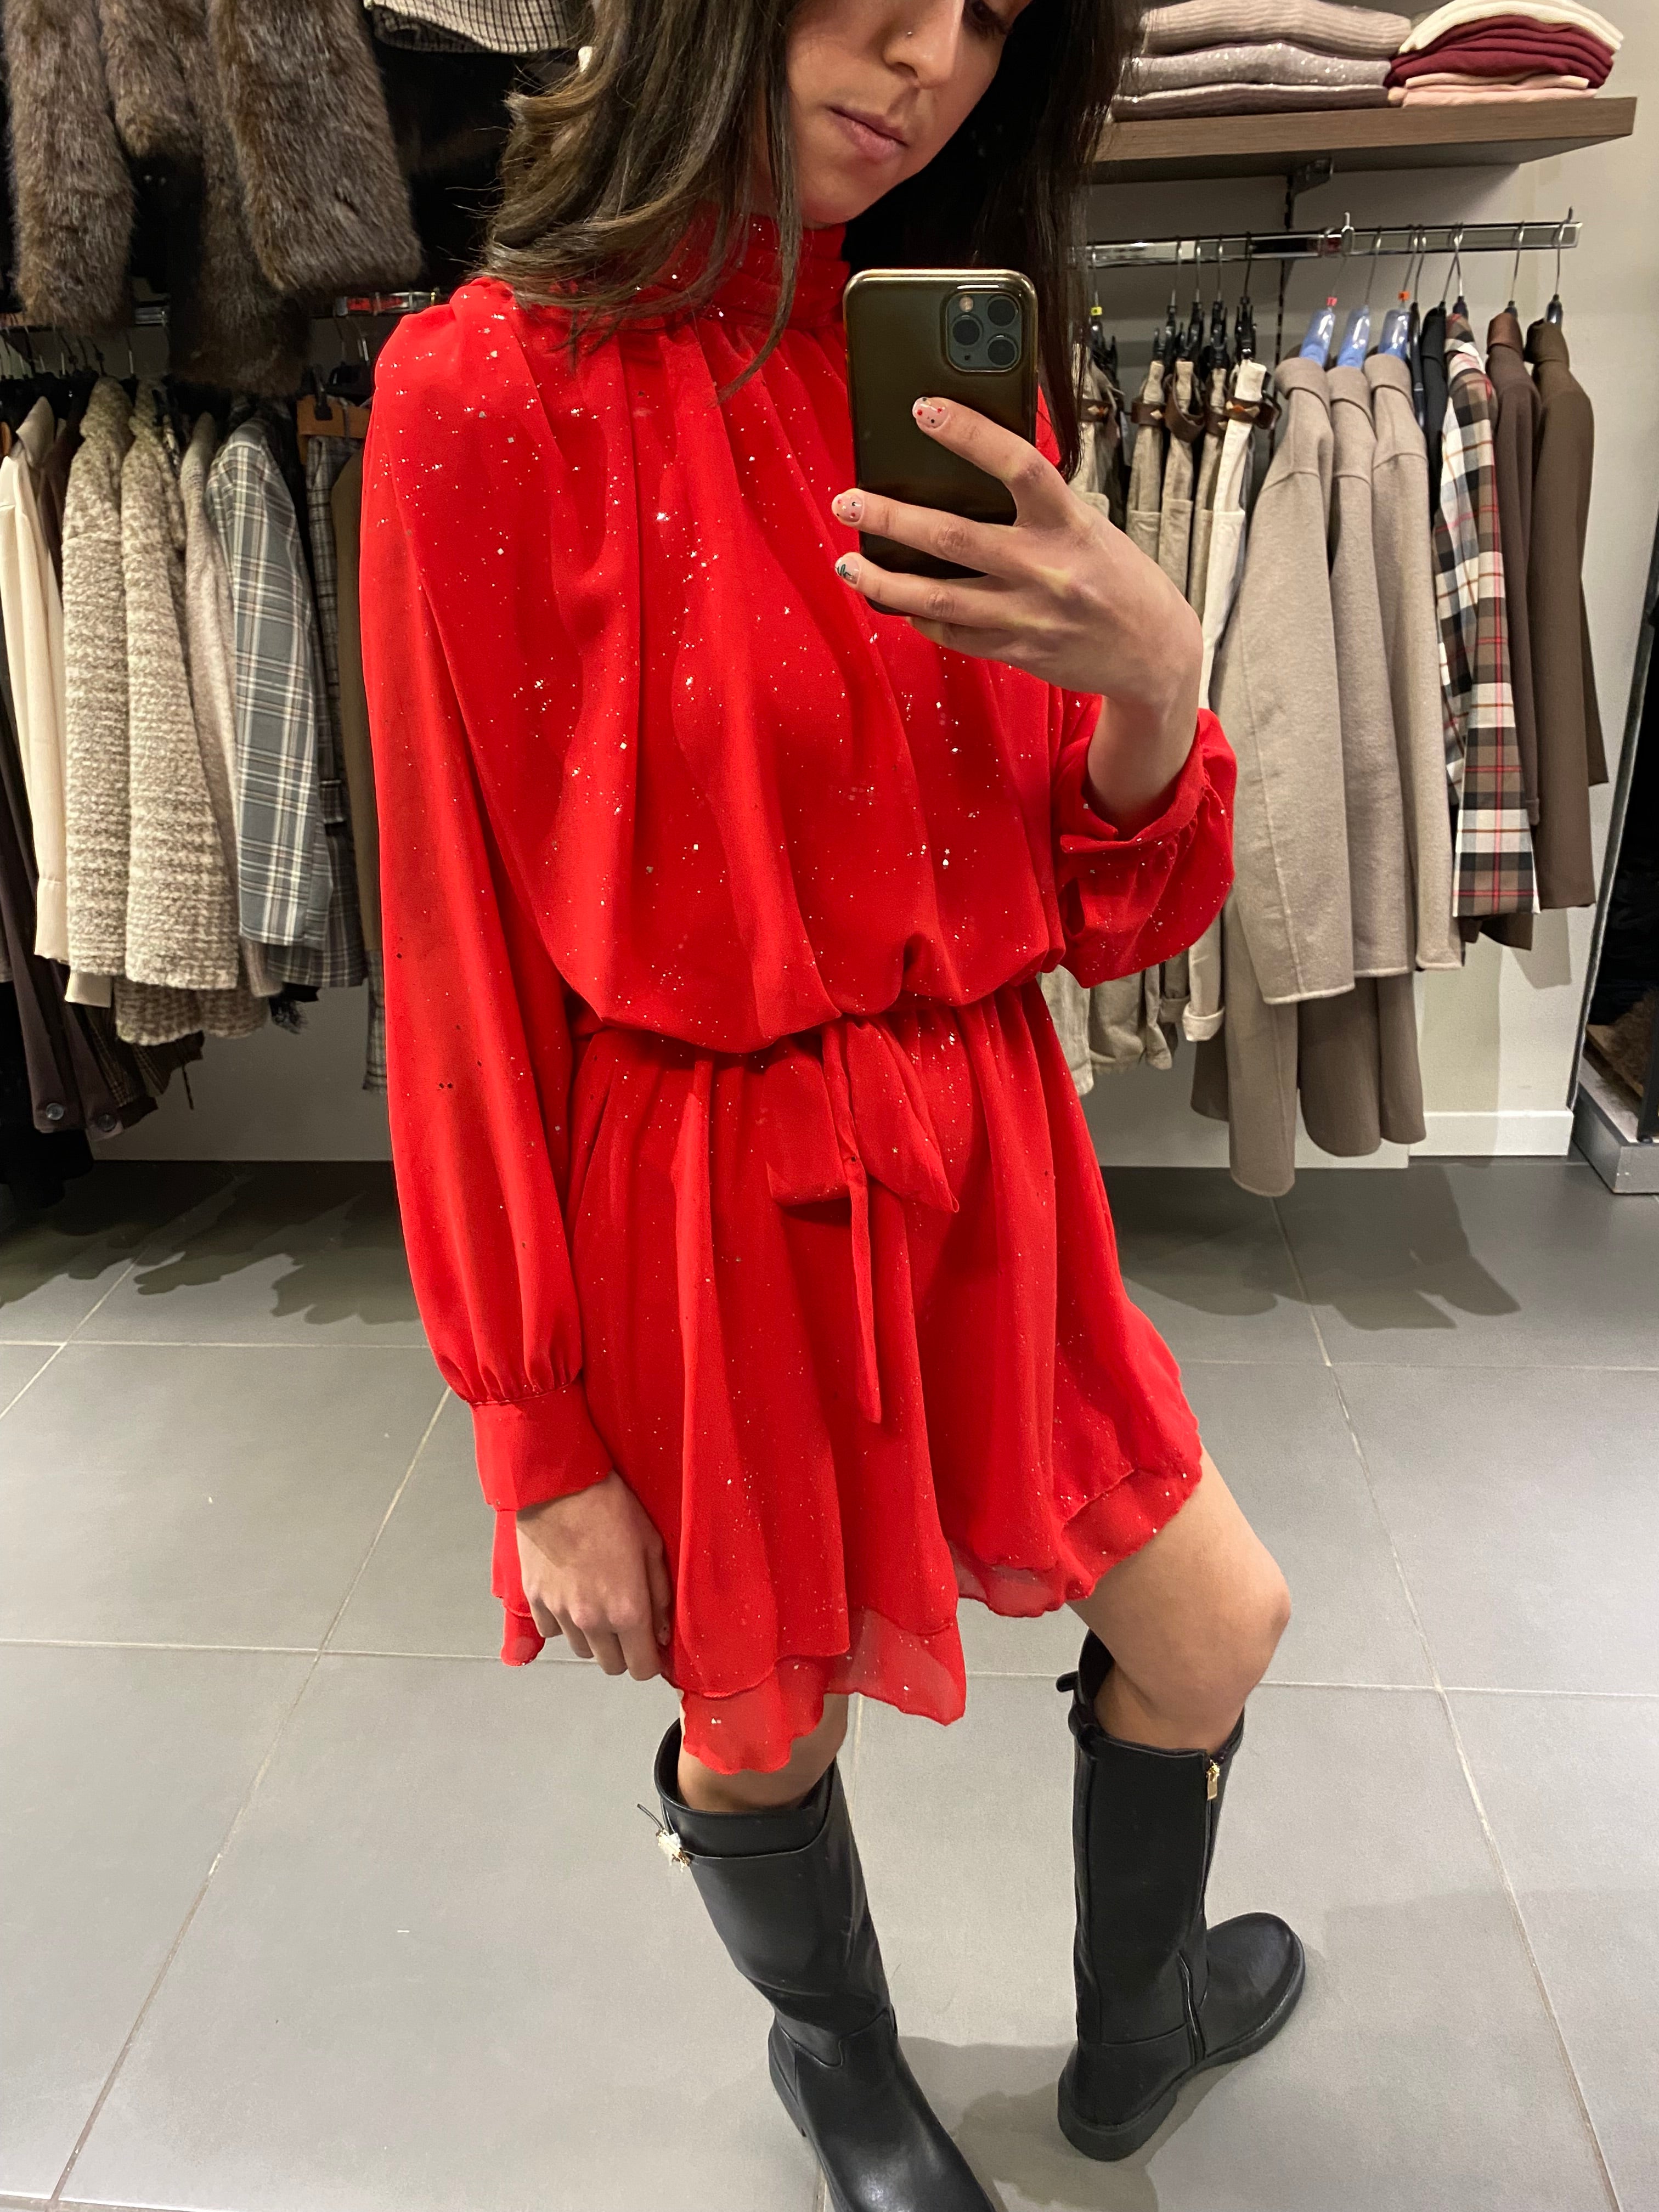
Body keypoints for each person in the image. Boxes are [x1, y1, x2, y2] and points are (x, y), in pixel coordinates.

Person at [359, 2, 1303, 2204]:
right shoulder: (477, 397)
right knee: (762, 1719)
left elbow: (1103, 903)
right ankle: (844, 2073)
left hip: (992, 1148)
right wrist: (536, 1439)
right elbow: (457, 960)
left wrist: (1156, 683)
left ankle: (1139, 2021)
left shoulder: (955, 379)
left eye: (997, 15)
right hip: (704, 1194)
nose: (927, 57)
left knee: (1214, 1621)